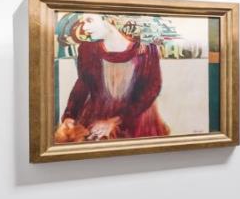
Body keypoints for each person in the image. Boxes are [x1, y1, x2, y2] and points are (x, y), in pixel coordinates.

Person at [55, 14, 170, 143]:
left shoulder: (146, 49)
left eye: (89, 20)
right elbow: (83, 84)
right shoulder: (87, 48)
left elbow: (152, 89)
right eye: (81, 23)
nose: (84, 27)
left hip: (135, 117)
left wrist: (114, 121)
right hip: (98, 114)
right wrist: (70, 116)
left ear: (109, 19)